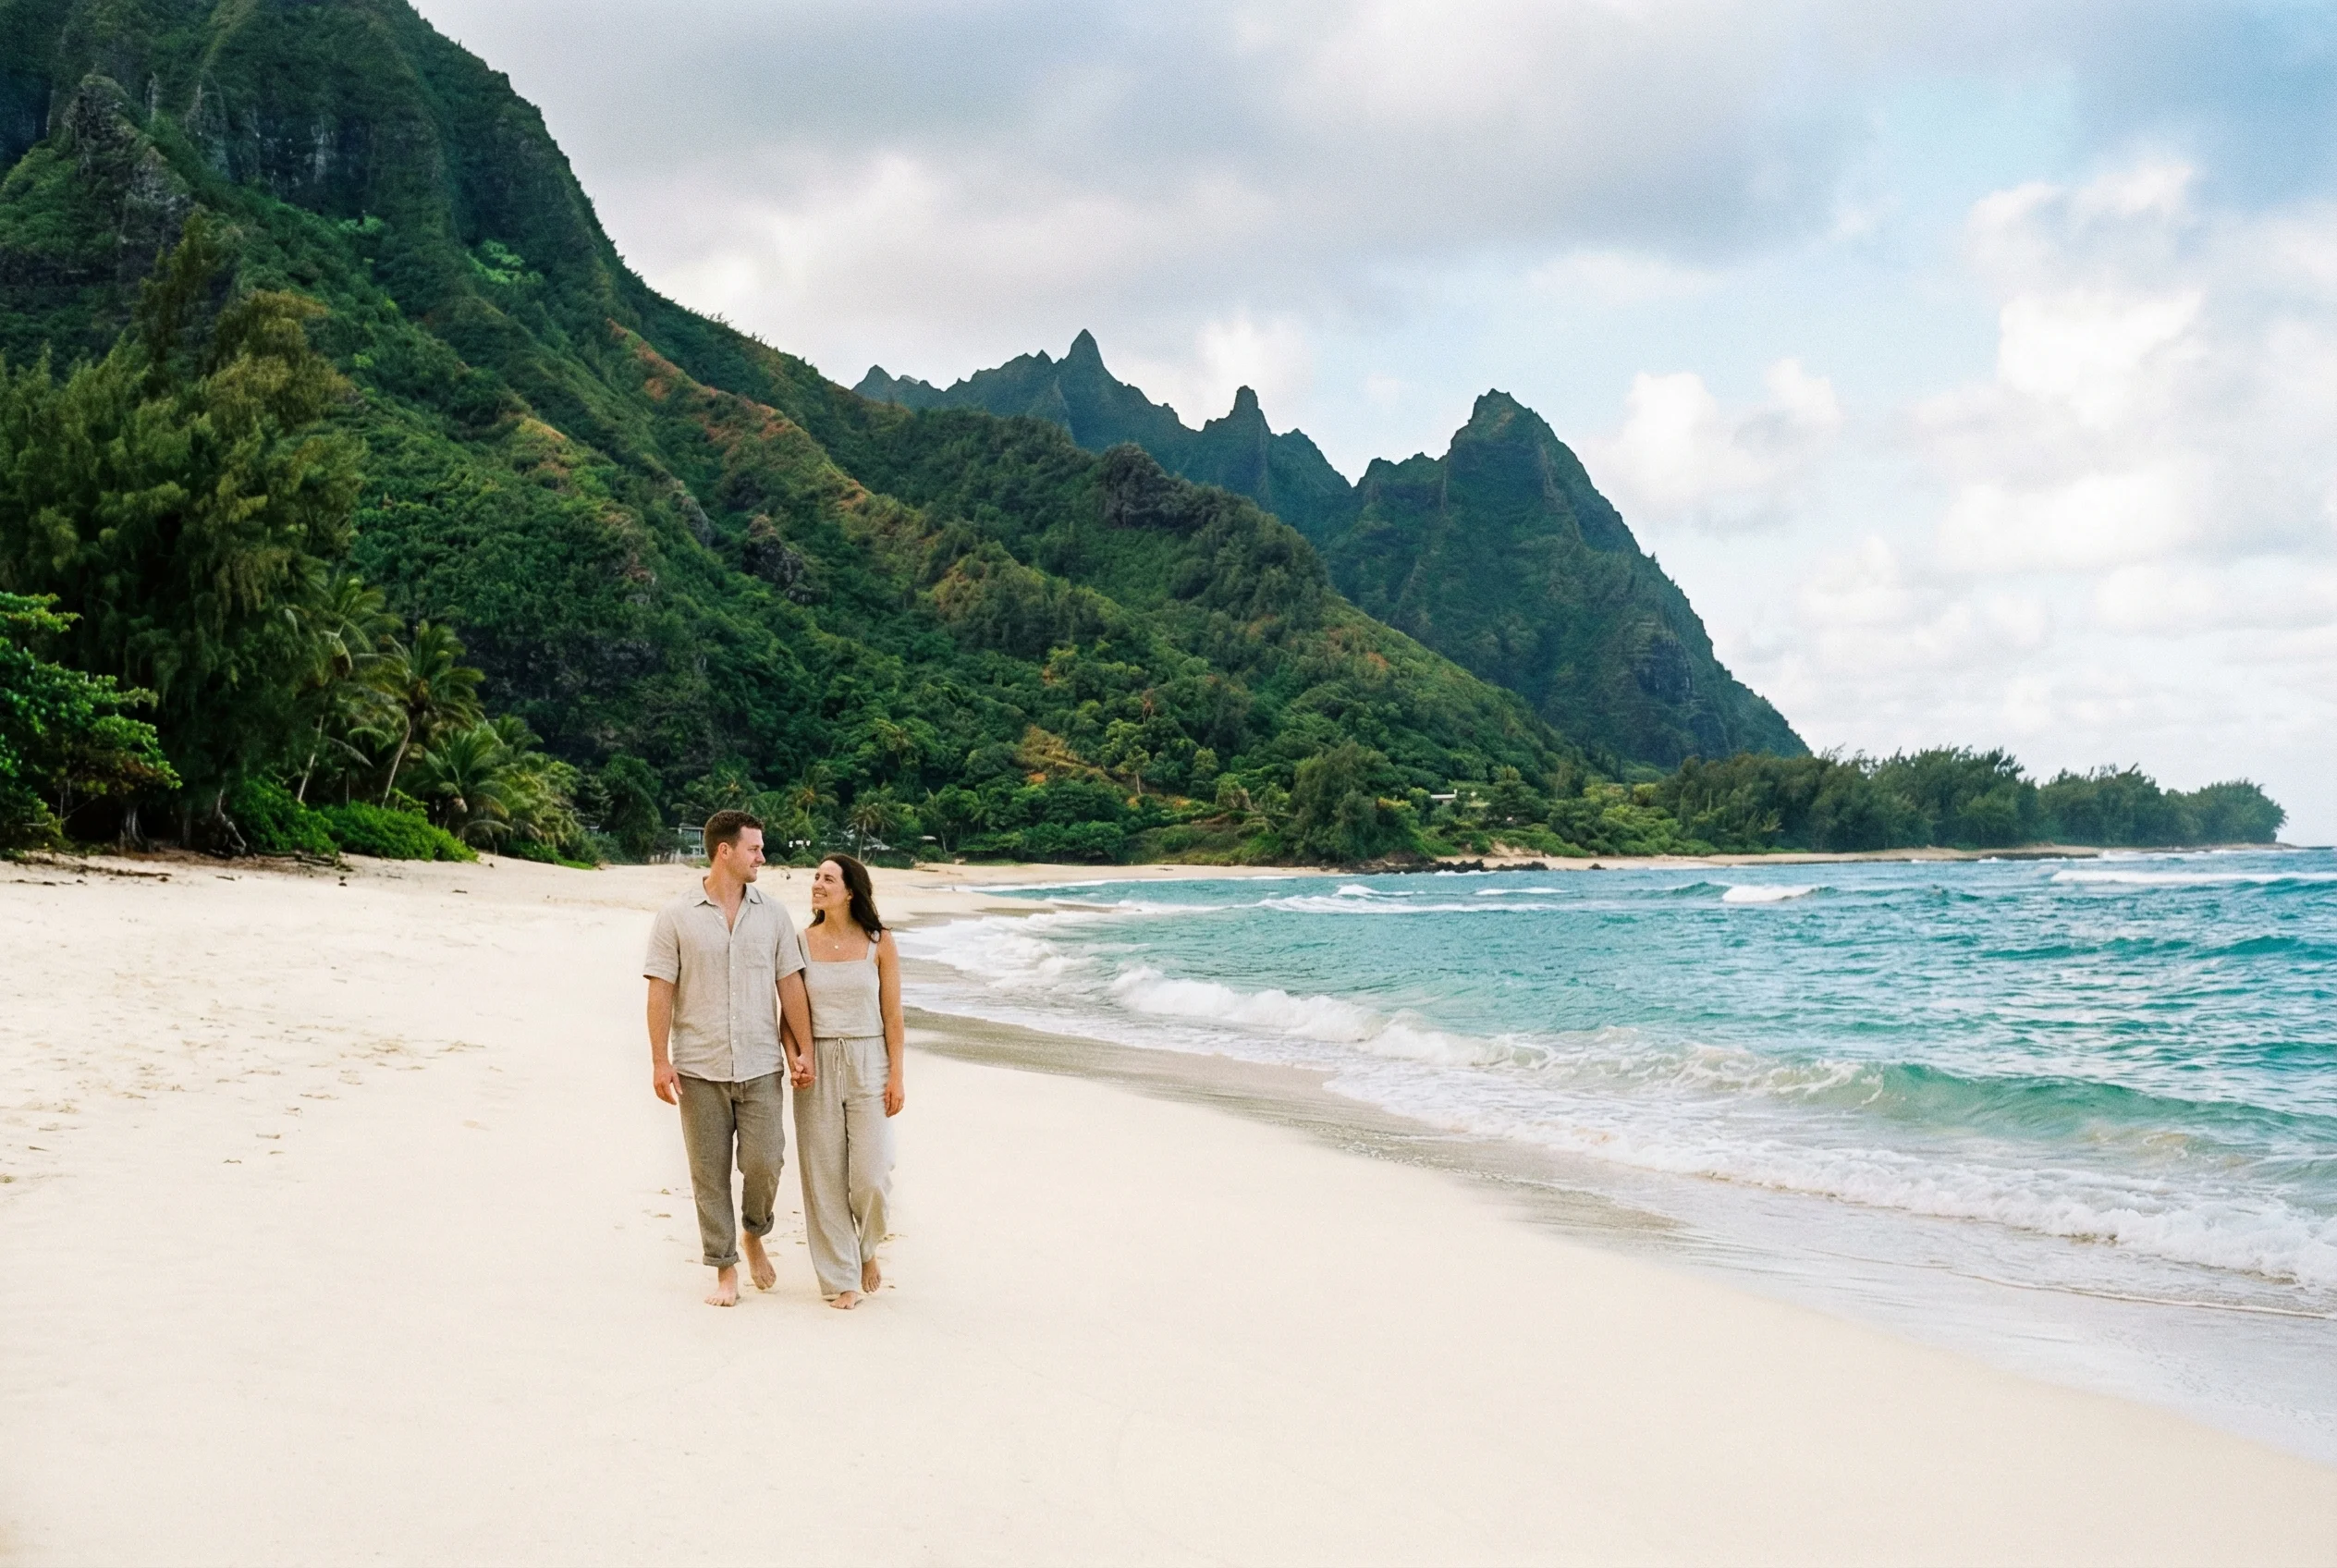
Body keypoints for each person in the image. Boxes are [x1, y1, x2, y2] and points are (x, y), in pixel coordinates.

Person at [642, 810, 813, 1307]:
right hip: (698, 1065)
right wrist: (659, 1059)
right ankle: (724, 1268)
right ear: (725, 851)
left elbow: (790, 986)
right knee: (708, 1174)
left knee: (766, 1161)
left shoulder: (775, 915)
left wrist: (803, 1051)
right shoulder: (675, 915)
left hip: (761, 1064)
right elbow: (661, 990)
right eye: (755, 848)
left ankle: (754, 1233)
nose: (763, 856)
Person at [794, 852, 905, 1309]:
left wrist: (897, 1074)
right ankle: (841, 1279)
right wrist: (799, 1056)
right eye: (816, 877)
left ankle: (866, 1249)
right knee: (824, 1177)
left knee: (871, 1175)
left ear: (850, 892)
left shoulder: (880, 941)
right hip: (818, 1060)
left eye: (828, 879)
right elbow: (790, 1012)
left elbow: (893, 1016)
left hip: (869, 1058)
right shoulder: (799, 942)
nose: (817, 884)